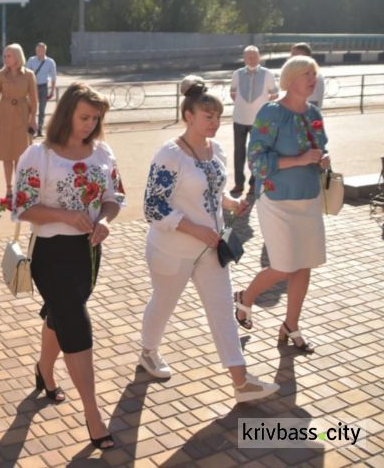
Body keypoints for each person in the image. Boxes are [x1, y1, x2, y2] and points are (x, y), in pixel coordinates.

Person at [141, 75, 280, 404]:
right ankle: (148, 352)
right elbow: (152, 207)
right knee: (163, 304)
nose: (215, 123)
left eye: (219, 117)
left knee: (221, 311)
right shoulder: (169, 154)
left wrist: (231, 204)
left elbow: (213, 192)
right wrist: (194, 228)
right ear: (189, 116)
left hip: (210, 250)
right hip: (171, 249)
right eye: (208, 117)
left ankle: (241, 381)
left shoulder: (216, 149)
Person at [13, 82, 125, 449]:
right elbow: (22, 206)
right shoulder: (39, 154)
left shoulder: (102, 151)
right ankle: (93, 415)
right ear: (66, 114)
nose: (90, 124)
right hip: (52, 253)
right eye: (84, 117)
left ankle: (44, 370)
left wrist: (105, 220)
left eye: (95, 118)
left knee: (60, 315)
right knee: (75, 322)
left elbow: (114, 196)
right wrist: (66, 214)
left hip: (89, 252)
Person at [234, 56, 329, 354]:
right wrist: (299, 160)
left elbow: (321, 146)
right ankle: (244, 297)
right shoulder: (271, 113)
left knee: (305, 263)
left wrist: (323, 158)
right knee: (285, 265)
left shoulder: (313, 112)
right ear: (290, 79)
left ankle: (291, 325)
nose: (312, 79)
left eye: (314, 74)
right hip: (277, 200)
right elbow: (257, 161)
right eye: (306, 74)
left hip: (309, 197)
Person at [229, 45, 279, 198]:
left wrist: (263, 106)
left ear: (259, 57)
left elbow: (275, 94)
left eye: (255, 56)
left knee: (257, 153)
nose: (252, 59)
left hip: (259, 121)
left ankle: (253, 184)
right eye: (249, 57)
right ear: (244, 58)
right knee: (239, 152)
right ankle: (238, 183)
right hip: (239, 119)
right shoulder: (237, 74)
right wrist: (242, 105)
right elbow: (232, 93)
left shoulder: (267, 74)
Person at [0, 43, 38, 196]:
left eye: (8, 55)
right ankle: (9, 188)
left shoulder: (29, 74)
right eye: (4, 56)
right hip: (3, 116)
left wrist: (32, 119)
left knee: (20, 155)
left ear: (17, 57)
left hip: (22, 116)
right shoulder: (0, 75)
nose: (5, 58)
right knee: (6, 154)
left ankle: (19, 186)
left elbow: (35, 100)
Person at [25, 42, 57, 137]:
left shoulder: (50, 62)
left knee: (42, 109)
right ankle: (30, 128)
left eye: (41, 50)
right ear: (36, 50)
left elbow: (53, 77)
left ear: (45, 51)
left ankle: (40, 129)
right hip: (32, 87)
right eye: (38, 50)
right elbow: (26, 74)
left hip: (43, 87)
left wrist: (52, 90)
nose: (39, 52)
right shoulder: (31, 60)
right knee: (31, 109)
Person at [291, 42, 326, 109]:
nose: (293, 58)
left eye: (296, 56)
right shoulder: (294, 73)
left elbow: (316, 99)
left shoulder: (314, 74)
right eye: (292, 55)